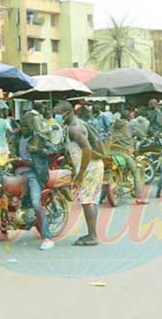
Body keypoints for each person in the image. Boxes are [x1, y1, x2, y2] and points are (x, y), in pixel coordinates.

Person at [55, 101, 104, 247]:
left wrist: (81, 173)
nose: (56, 116)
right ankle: (92, 233)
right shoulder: (72, 125)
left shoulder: (74, 129)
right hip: (92, 166)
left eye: (58, 113)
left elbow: (87, 150)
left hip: (89, 168)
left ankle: (92, 236)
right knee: (91, 200)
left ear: (67, 113)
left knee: (87, 201)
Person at [11, 112, 57, 250]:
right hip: (17, 172)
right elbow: (10, 151)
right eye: (22, 125)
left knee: (37, 204)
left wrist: (37, 150)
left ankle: (47, 238)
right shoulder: (16, 137)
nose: (24, 128)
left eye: (27, 126)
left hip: (34, 173)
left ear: (32, 126)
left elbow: (53, 150)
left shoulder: (40, 138)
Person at [110, 114, 147, 205]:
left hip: (111, 152)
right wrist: (143, 137)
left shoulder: (113, 126)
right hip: (125, 153)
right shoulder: (130, 125)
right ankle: (138, 198)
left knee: (108, 173)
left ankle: (102, 198)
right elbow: (140, 134)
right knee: (135, 173)